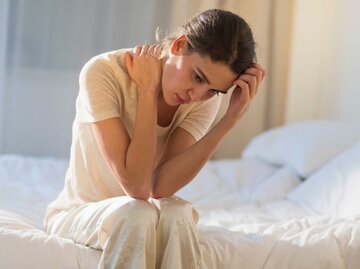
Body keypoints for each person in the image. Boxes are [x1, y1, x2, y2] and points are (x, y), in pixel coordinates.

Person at [44, 8, 265, 269]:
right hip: (79, 214)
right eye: (197, 77)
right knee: (137, 213)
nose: (196, 95)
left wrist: (230, 120)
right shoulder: (103, 72)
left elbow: (160, 187)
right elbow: (137, 188)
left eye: (214, 91)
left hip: (143, 217)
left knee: (177, 212)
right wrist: (147, 91)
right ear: (180, 45)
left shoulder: (202, 100)